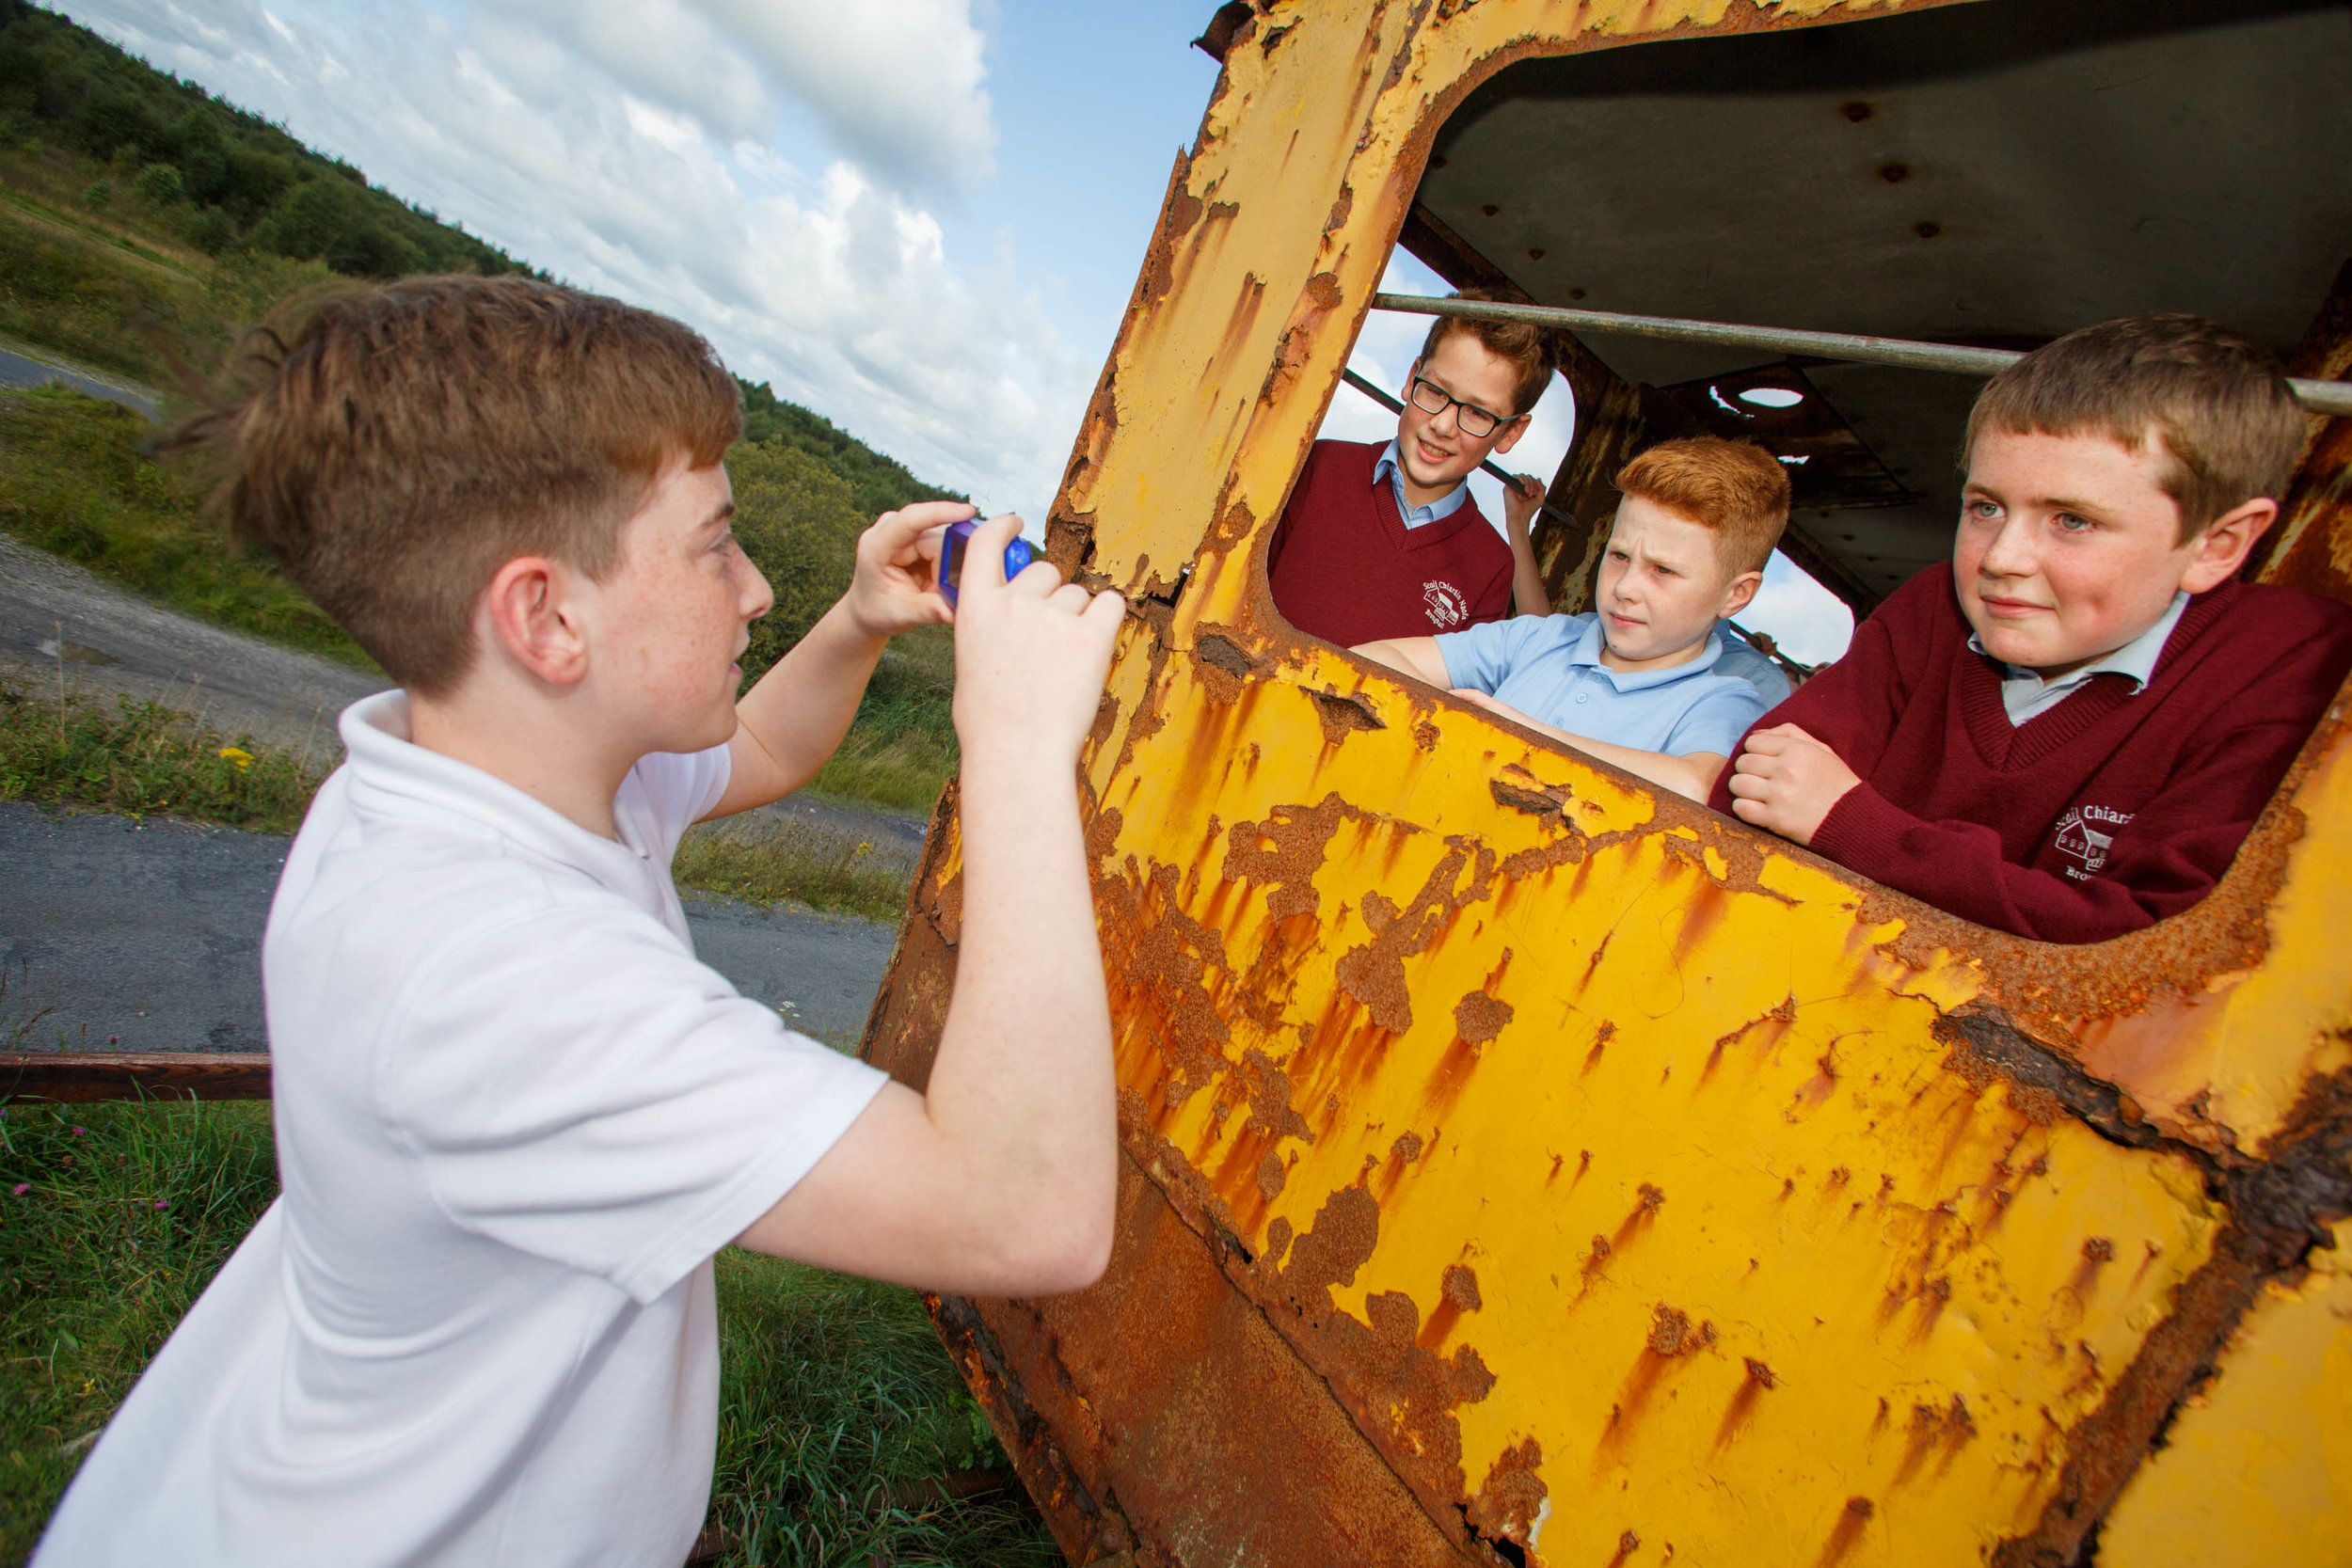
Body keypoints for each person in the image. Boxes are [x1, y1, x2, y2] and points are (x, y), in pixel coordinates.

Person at [33, 277, 1126, 1567]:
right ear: (547, 616)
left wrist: (859, 619)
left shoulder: (478, 768)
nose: (758, 585)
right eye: (716, 542)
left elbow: (762, 744)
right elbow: (1024, 1210)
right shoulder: (493, 977)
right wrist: (1013, 744)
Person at [1712, 312, 2352, 943]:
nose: (2001, 559)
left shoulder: (2298, 666)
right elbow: (1760, 781)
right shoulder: (1933, 606)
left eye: (2072, 520)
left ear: (2216, 544)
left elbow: (2161, 951)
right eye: (1986, 507)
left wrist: (1858, 826)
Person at [1354, 437, 1790, 801]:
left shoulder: (1722, 700)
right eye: (1619, 556)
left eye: (1663, 570)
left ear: (1736, 595)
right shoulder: (1542, 638)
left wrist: (1515, 734)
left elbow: (1698, 784)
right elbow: (1378, 657)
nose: (1625, 588)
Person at [1267, 287, 1558, 644]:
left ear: (1510, 432)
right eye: (1436, 392)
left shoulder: (1492, 566)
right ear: (1412, 377)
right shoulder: (1319, 466)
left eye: (1478, 413)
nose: (1442, 425)